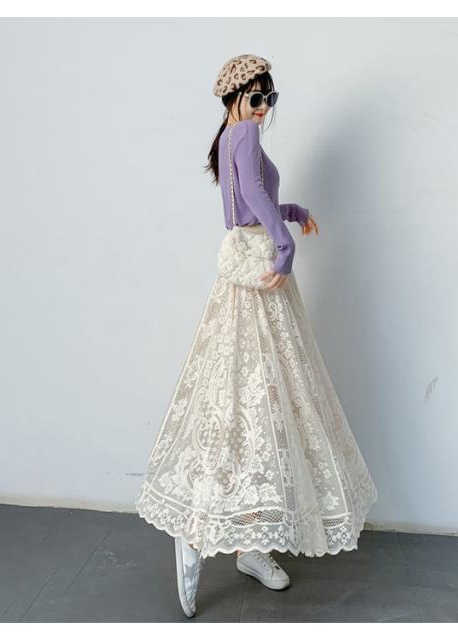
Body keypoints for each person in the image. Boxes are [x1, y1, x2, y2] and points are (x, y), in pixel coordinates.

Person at [134, 54, 378, 618]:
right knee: (257, 399)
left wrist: (292, 211)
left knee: (253, 400)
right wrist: (285, 244)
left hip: (247, 267)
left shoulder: (232, 136)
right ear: (234, 99)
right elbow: (254, 201)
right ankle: (196, 532)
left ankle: (250, 542)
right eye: (257, 97)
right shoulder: (241, 133)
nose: (264, 108)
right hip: (260, 272)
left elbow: (248, 204)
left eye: (271, 97)